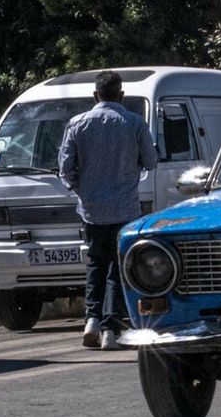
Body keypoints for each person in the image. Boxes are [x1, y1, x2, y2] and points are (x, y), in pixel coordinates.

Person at [57, 70, 157, 349]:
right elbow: (150, 161)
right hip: (125, 210)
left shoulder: (77, 124)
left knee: (95, 264)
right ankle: (110, 329)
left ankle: (91, 319)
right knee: (116, 268)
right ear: (121, 95)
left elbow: (66, 169)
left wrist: (82, 191)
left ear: (95, 95)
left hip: (91, 210)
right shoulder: (134, 123)